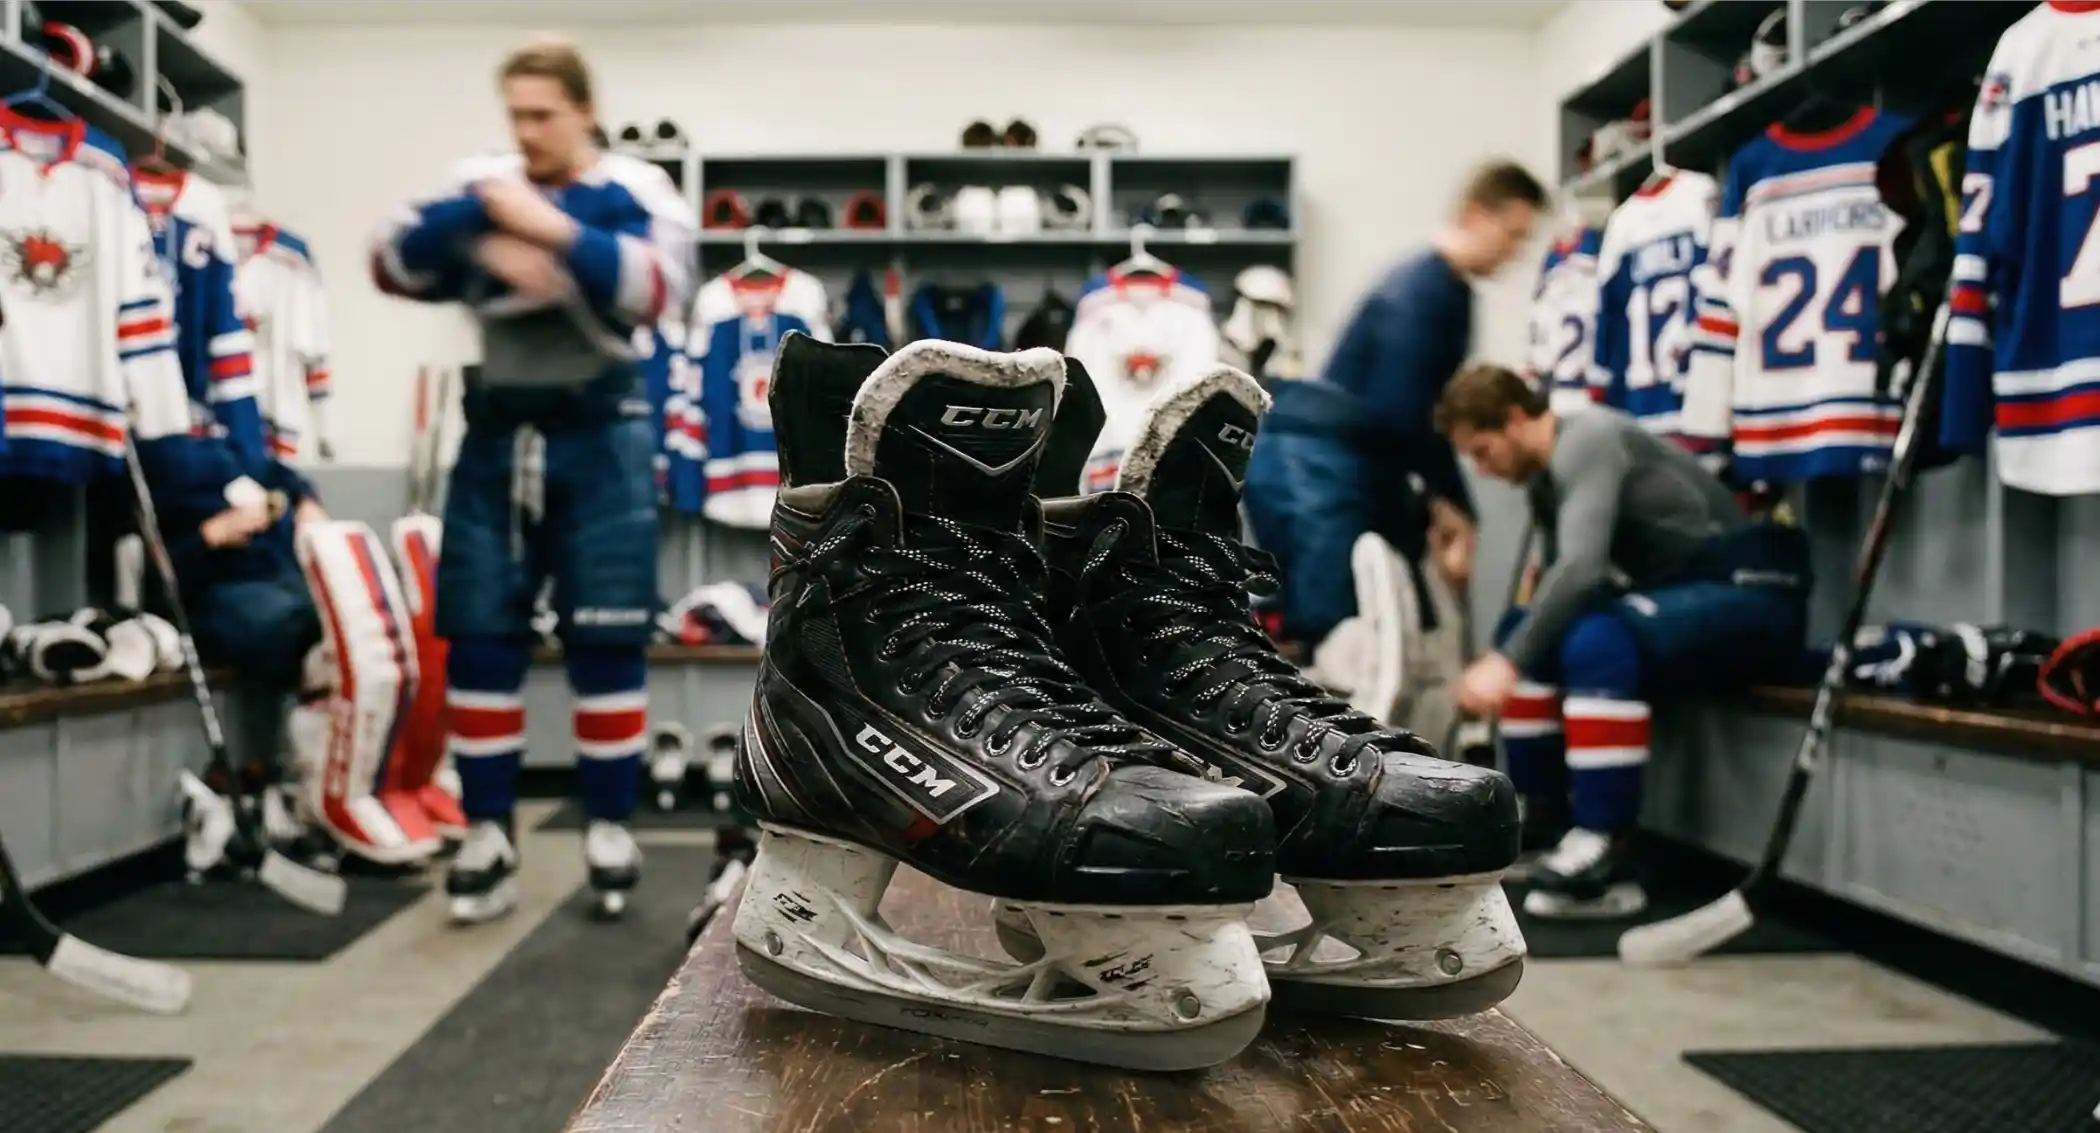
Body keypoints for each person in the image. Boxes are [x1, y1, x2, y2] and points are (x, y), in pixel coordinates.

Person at [370, 38, 695, 923]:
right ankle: (486, 832)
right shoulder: (485, 183)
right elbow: (393, 258)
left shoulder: (634, 187)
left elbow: (659, 287)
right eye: (514, 113)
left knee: (607, 637)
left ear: (585, 110)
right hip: (498, 429)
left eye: (542, 113)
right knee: (480, 633)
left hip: (603, 430)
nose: (525, 130)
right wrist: (486, 217)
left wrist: (551, 230)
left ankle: (611, 829)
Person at [1438, 363, 1812, 920]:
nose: (1482, 470)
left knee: (1596, 642)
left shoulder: (1587, 437)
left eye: (1484, 451)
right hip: (1681, 591)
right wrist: (1513, 647)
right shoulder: (1545, 479)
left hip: (1753, 587)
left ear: (1516, 418)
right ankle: (1542, 817)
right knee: (1529, 629)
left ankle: (1608, 842)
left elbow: (1583, 568)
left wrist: (1506, 663)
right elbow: (1553, 591)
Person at [1242, 159, 1548, 731]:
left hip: (1331, 466)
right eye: (1512, 234)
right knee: (1335, 647)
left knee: (1346, 641)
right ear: (1474, 215)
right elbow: (1411, 415)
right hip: (1317, 468)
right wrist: (1455, 506)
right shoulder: (1425, 290)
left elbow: (1412, 423)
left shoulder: (1443, 291)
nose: (1514, 252)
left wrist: (1441, 508)